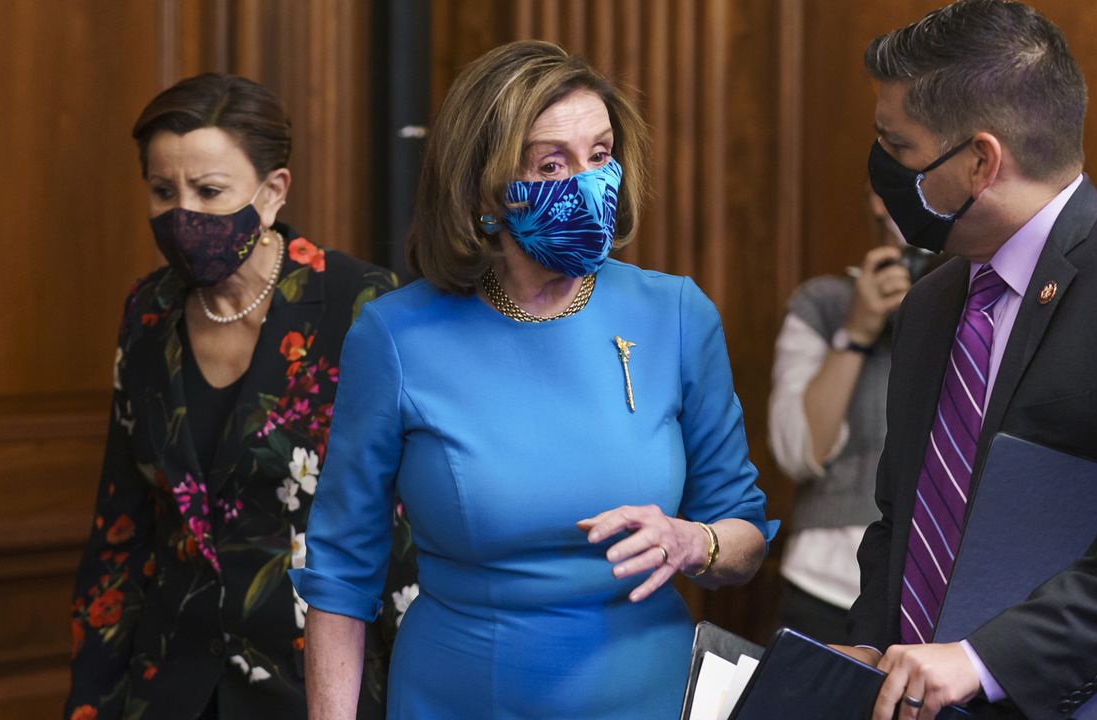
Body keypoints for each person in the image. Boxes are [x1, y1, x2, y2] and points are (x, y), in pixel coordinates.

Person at [292, 41, 776, 719]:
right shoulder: (395, 337)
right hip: (458, 698)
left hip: (649, 696)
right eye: (554, 164)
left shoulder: (674, 314)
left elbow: (744, 536)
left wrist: (698, 541)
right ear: (486, 193)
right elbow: (341, 571)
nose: (589, 183)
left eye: (600, 156)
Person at [833, 2, 1097, 719]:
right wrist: (870, 643)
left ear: (980, 160)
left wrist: (983, 659)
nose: (883, 167)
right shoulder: (932, 300)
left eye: (898, 145)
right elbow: (903, 513)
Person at [65, 73, 418, 720]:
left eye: (209, 191)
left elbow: (403, 534)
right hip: (167, 690)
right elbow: (120, 534)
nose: (183, 215)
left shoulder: (363, 305)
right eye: (163, 191)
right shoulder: (149, 312)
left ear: (273, 191)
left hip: (315, 689)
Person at [768, 191, 939, 645]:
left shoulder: (977, 304)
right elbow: (797, 451)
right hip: (827, 581)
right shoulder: (823, 303)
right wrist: (857, 332)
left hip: (938, 588)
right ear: (880, 199)